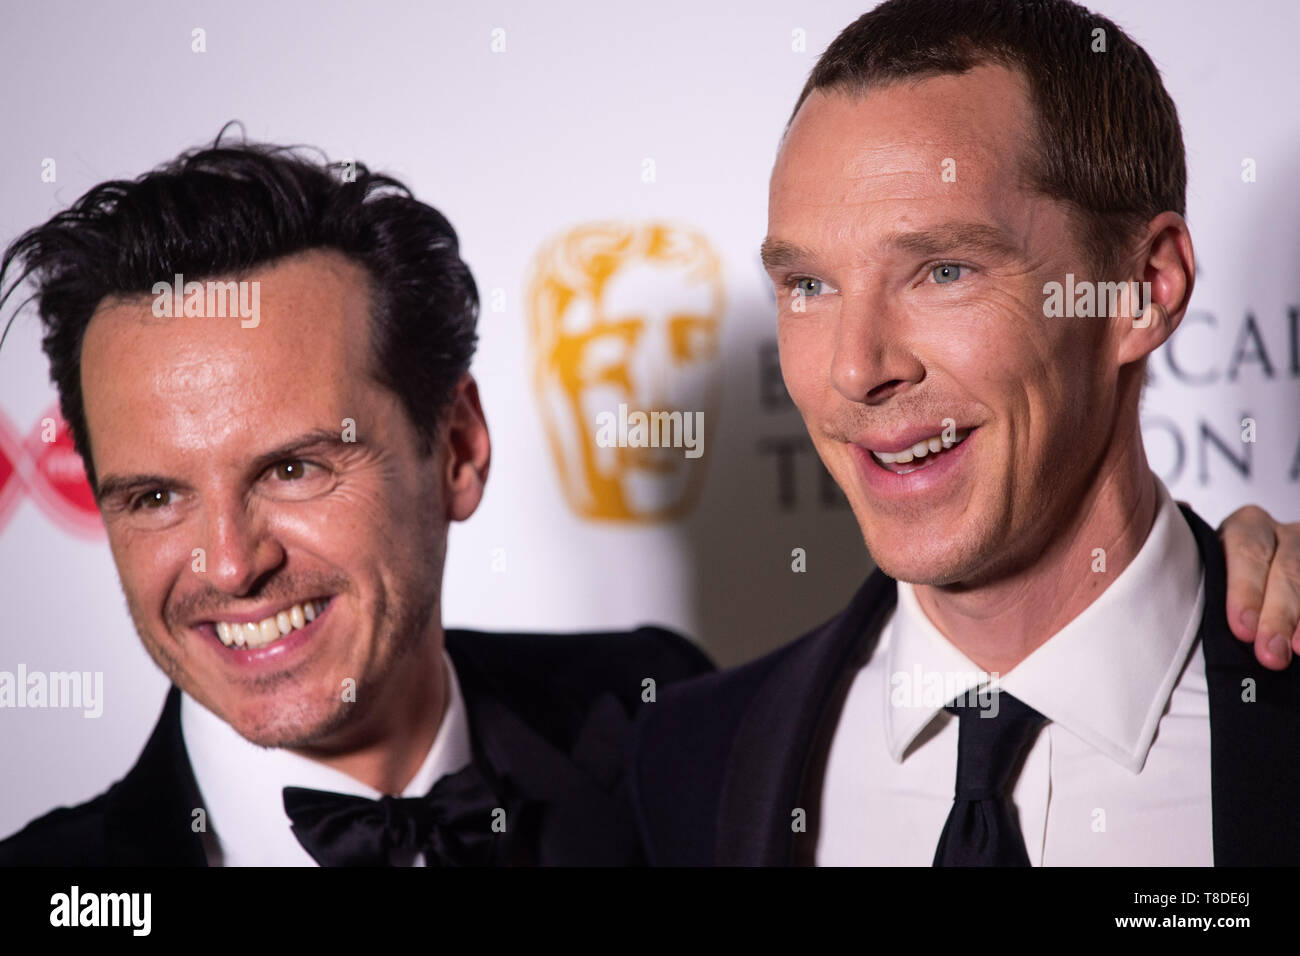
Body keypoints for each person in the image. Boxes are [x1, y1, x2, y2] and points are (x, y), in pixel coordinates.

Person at [629, 0, 1300, 866]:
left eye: (944, 271)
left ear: (1145, 286)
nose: (855, 367)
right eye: (808, 284)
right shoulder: (689, 762)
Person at [0, 138, 710, 866]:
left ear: (458, 450)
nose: (231, 566)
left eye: (293, 469)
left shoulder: (662, 720)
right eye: (154, 497)